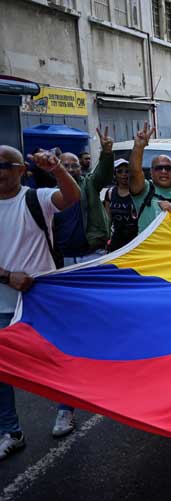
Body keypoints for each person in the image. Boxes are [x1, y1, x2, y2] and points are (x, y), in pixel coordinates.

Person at [1, 145, 81, 458]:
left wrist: (57, 168)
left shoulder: (36, 199)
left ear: (22, 170)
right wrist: (8, 276)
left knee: (58, 358)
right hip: (3, 303)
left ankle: (66, 409)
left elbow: (72, 197)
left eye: (4, 165)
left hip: (43, 300)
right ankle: (10, 430)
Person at [52, 128, 114, 266]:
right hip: (65, 257)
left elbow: (104, 174)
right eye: (65, 166)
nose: (70, 169)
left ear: (80, 168)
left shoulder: (89, 184)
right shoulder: (51, 195)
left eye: (75, 166)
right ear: (58, 168)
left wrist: (107, 152)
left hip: (92, 254)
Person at [105, 158, 138, 252]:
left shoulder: (137, 192)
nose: (124, 174)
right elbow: (108, 219)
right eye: (120, 171)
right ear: (115, 174)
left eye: (127, 171)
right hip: (117, 240)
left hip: (136, 240)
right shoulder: (110, 192)